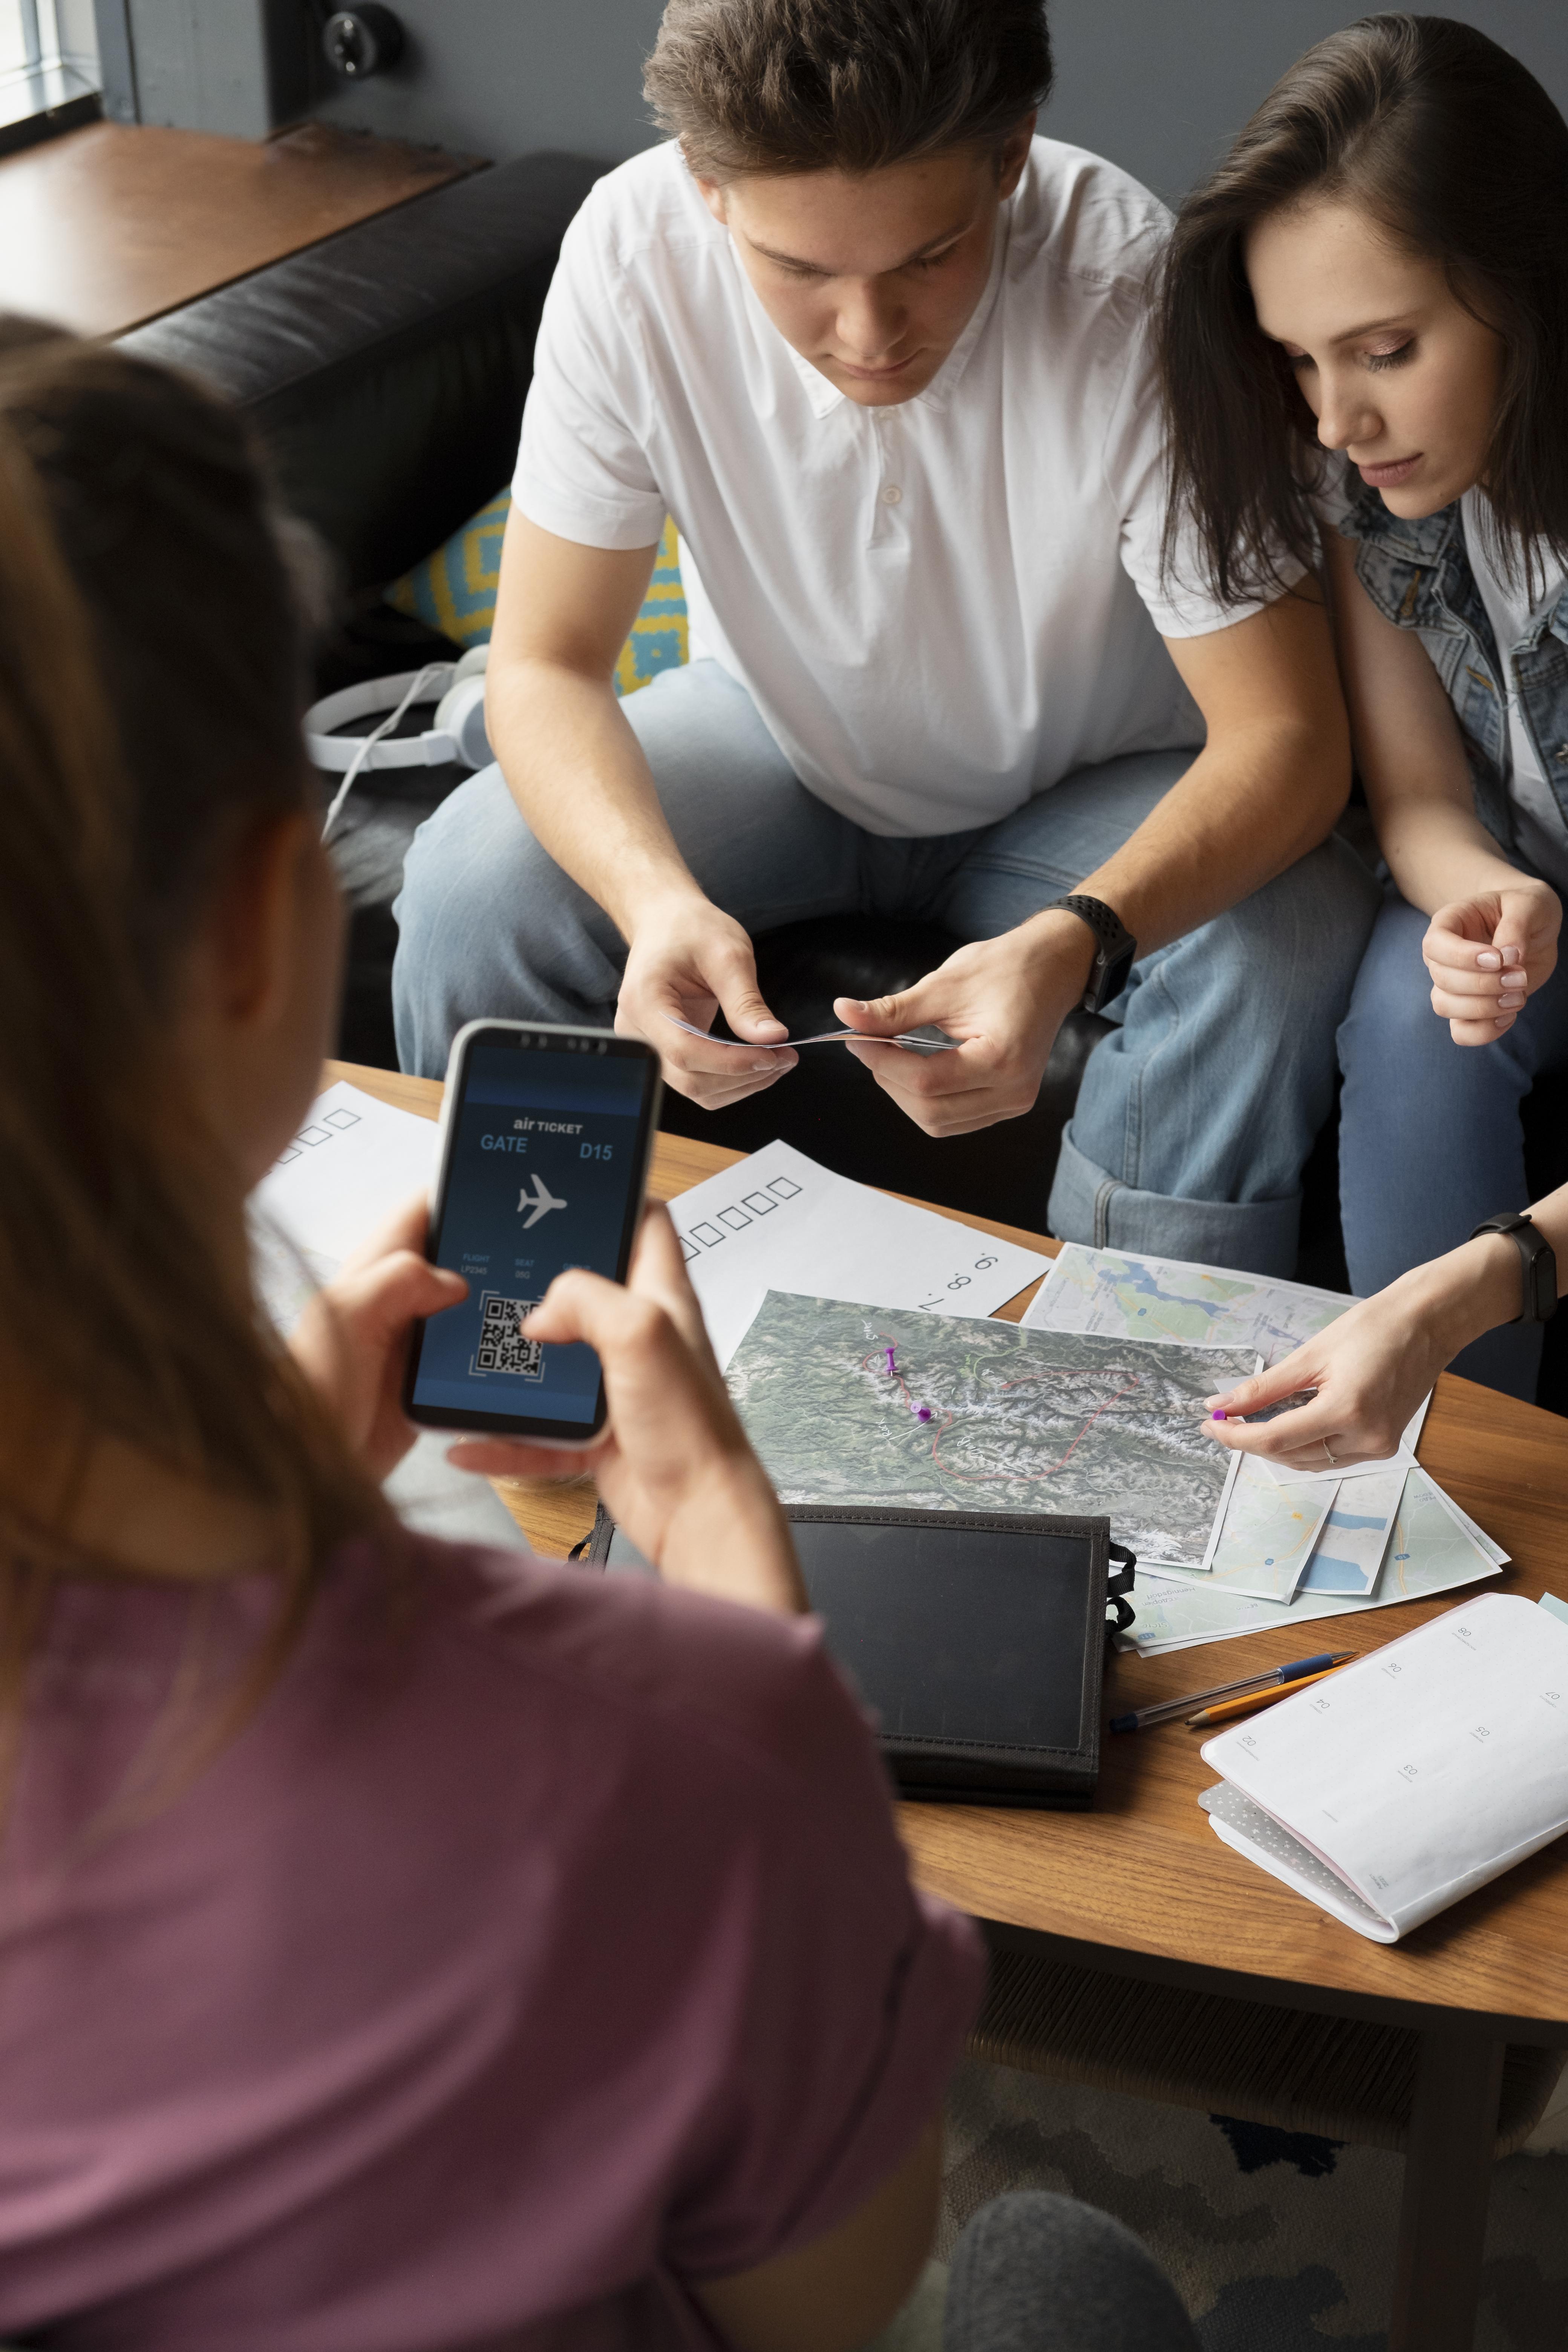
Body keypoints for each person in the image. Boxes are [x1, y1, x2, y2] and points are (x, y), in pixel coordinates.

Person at [0, 325, 1206, 2352]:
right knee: (1058, 2282)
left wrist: (276, 1511)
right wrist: (749, 1618)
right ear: (256, 931)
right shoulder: (672, 1742)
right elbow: (827, 2303)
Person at [392, 0, 1380, 1280]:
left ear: (1013, 155)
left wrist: (1080, 932)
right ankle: (504, 1348)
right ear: (708, 188)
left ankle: (1140, 1409)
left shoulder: (1133, 284)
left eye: (931, 255)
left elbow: (1288, 738)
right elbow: (542, 665)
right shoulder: (631, 253)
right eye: (800, 271)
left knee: (1283, 936)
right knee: (479, 880)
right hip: (775, 747)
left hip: (1100, 785)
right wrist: (654, 902)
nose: (869, 336)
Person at [1159, 11, 1568, 1398]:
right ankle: (1451, 1499)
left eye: (1385, 350)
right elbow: (1420, 798)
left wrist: (1459, 1293)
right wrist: (1483, 902)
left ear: (1532, 289)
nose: (1335, 423)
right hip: (1545, 898)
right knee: (1418, 1006)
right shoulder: (1365, 485)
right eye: (1300, 360)